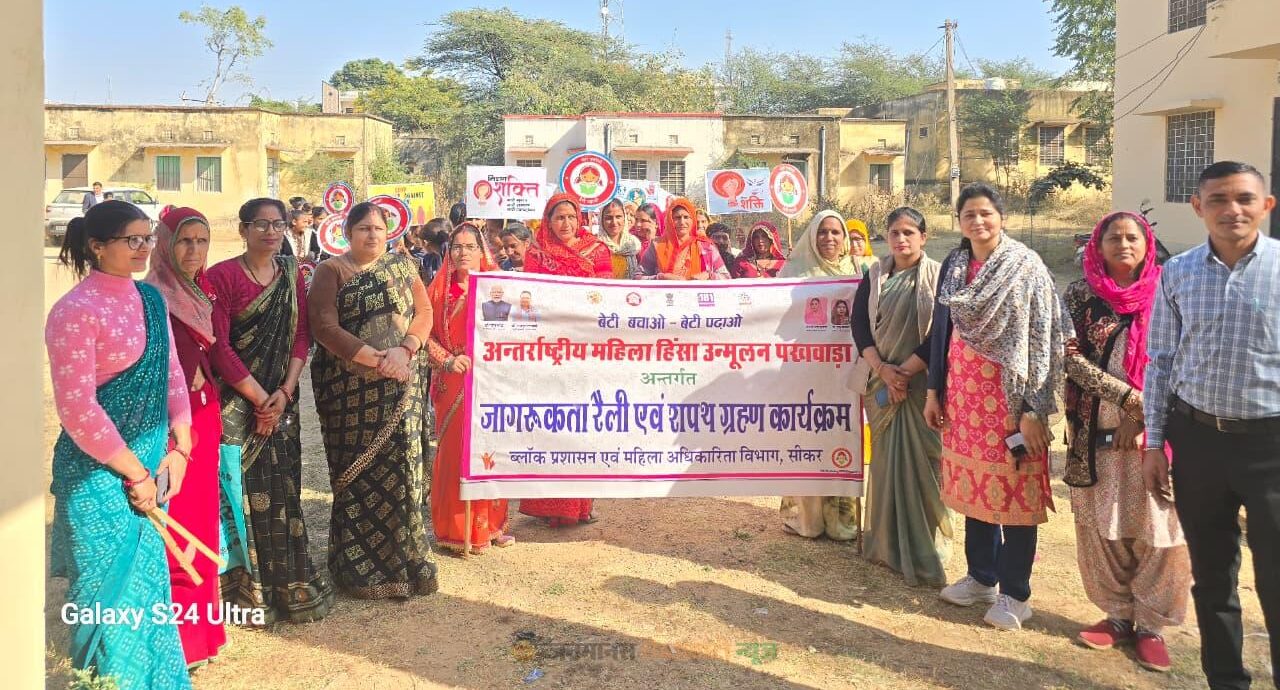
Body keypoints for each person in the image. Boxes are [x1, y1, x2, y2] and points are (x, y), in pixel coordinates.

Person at [1143, 161, 1280, 689]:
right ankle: (1225, 680)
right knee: (1212, 576)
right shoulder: (1177, 272)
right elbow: (1161, 361)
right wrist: (1155, 443)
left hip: (1271, 447)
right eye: (1218, 199)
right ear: (1198, 207)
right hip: (1197, 442)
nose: (1232, 209)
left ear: (1266, 205)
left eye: (1244, 198)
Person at [47, 200, 194, 689]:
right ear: (96, 246)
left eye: (147, 237)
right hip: (97, 475)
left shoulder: (151, 300)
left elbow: (172, 370)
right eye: (132, 240)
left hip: (150, 465)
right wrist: (136, 473)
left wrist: (182, 444)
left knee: (147, 586)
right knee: (107, 592)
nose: (144, 248)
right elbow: (78, 410)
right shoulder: (74, 312)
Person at [924, 183, 1068, 630]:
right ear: (959, 221)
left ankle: (1015, 594)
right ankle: (981, 577)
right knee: (975, 491)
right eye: (969, 214)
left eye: (986, 213)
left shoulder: (1025, 267)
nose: (978, 221)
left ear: (1001, 217)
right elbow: (942, 332)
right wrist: (934, 390)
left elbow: (1044, 338)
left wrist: (1034, 408)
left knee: (1015, 492)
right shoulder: (955, 266)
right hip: (964, 400)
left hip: (1010, 402)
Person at [1062, 210, 1190, 672]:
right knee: (1103, 523)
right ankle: (1117, 615)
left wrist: (1145, 415)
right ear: (1098, 245)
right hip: (1095, 429)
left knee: (1162, 528)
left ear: (1147, 243)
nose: (1123, 245)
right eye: (1113, 237)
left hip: (1159, 432)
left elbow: (1182, 357)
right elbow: (1068, 356)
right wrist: (1129, 399)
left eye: (1132, 237)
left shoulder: (1171, 290)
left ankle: (1152, 626)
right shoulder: (1080, 294)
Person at [206, 198, 333, 624]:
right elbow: (220, 346)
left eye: (278, 224)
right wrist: (260, 398)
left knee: (284, 488)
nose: (270, 232)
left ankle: (289, 581)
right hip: (237, 403)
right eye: (260, 224)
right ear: (243, 230)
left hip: (282, 400)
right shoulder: (221, 277)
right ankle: (245, 588)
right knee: (239, 490)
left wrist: (285, 391)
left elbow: (302, 335)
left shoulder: (291, 273)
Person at [308, 202, 439, 598]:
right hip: (351, 392)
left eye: (378, 228)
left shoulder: (402, 265)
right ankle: (359, 570)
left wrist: (405, 350)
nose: (372, 235)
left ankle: (407, 563)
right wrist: (375, 359)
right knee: (358, 475)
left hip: (403, 384)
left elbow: (424, 312)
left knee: (403, 470)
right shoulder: (330, 271)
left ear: (388, 232)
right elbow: (323, 326)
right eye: (363, 228)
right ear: (347, 233)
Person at [142, 206, 228, 669]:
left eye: (201, 241)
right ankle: (182, 640)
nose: (194, 250)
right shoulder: (152, 296)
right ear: (164, 244)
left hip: (204, 416)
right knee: (179, 520)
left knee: (201, 519)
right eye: (184, 241)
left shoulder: (201, 290)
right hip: (172, 423)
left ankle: (204, 634)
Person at [851, 207, 949, 588]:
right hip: (881, 382)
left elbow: (942, 331)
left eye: (909, 232)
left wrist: (905, 372)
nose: (901, 239)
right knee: (885, 463)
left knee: (925, 464)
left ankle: (925, 549)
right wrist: (884, 371)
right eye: (895, 232)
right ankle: (886, 544)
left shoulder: (939, 276)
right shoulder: (874, 275)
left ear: (924, 237)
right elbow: (860, 326)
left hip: (923, 387)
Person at [519, 193, 613, 526]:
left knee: (583, 422)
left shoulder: (597, 250)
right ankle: (548, 505)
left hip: (587, 347)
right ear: (548, 220)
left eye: (572, 217)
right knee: (551, 421)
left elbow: (607, 295)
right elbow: (530, 297)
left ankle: (581, 504)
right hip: (549, 349)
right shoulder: (536, 252)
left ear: (581, 218)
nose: (567, 223)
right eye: (559, 217)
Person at [427, 224, 515, 552]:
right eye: (457, 247)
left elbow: (518, 331)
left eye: (470, 247)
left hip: (491, 380)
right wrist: (448, 360)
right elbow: (424, 335)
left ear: (482, 252)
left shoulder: (500, 289)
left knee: (491, 451)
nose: (463, 253)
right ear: (449, 252)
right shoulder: (438, 292)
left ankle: (491, 525)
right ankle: (455, 529)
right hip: (453, 381)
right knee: (455, 453)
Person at [777, 209, 861, 540]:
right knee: (808, 439)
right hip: (804, 373)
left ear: (844, 238)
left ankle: (840, 521)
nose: (829, 238)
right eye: (822, 232)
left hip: (844, 376)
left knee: (840, 438)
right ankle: (807, 519)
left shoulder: (857, 271)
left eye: (835, 232)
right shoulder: (794, 273)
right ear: (812, 236)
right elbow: (774, 318)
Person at [638, 198, 731, 280]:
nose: (682, 222)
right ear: (670, 220)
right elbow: (638, 276)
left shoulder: (706, 247)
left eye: (686, 217)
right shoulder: (657, 245)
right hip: (665, 294)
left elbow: (726, 277)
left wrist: (709, 276)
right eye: (677, 218)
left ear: (692, 220)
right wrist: (660, 277)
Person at [600, 199, 642, 279]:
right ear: (601, 220)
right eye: (609, 218)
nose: (614, 222)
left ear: (624, 218)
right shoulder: (596, 246)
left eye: (618, 217)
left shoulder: (633, 245)